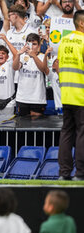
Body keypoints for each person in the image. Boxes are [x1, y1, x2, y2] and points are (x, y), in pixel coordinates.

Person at [57, 10, 84, 180]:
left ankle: (64, 173)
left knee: (66, 134)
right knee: (82, 134)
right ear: (81, 23)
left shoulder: (64, 41)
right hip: (82, 95)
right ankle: (81, 173)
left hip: (66, 96)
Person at [12, 33, 50, 116]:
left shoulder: (43, 56)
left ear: (39, 45)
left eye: (34, 44)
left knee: (36, 125)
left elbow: (43, 69)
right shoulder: (22, 56)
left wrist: (33, 56)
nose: (32, 46)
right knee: (22, 125)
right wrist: (18, 54)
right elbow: (15, 67)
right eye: (29, 43)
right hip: (22, 98)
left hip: (37, 98)